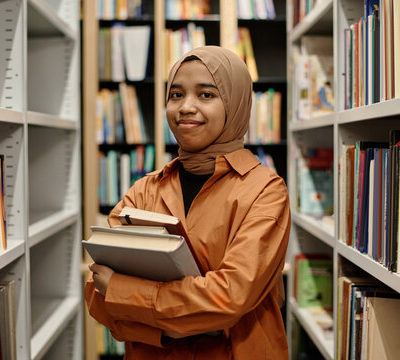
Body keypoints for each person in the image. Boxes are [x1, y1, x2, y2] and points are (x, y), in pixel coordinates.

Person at [86, 45, 291, 359]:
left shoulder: (266, 190)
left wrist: (125, 295)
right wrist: (183, 323)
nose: (185, 107)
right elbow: (98, 298)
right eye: (176, 94)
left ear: (234, 104)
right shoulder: (142, 191)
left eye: (206, 95)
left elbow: (231, 297)